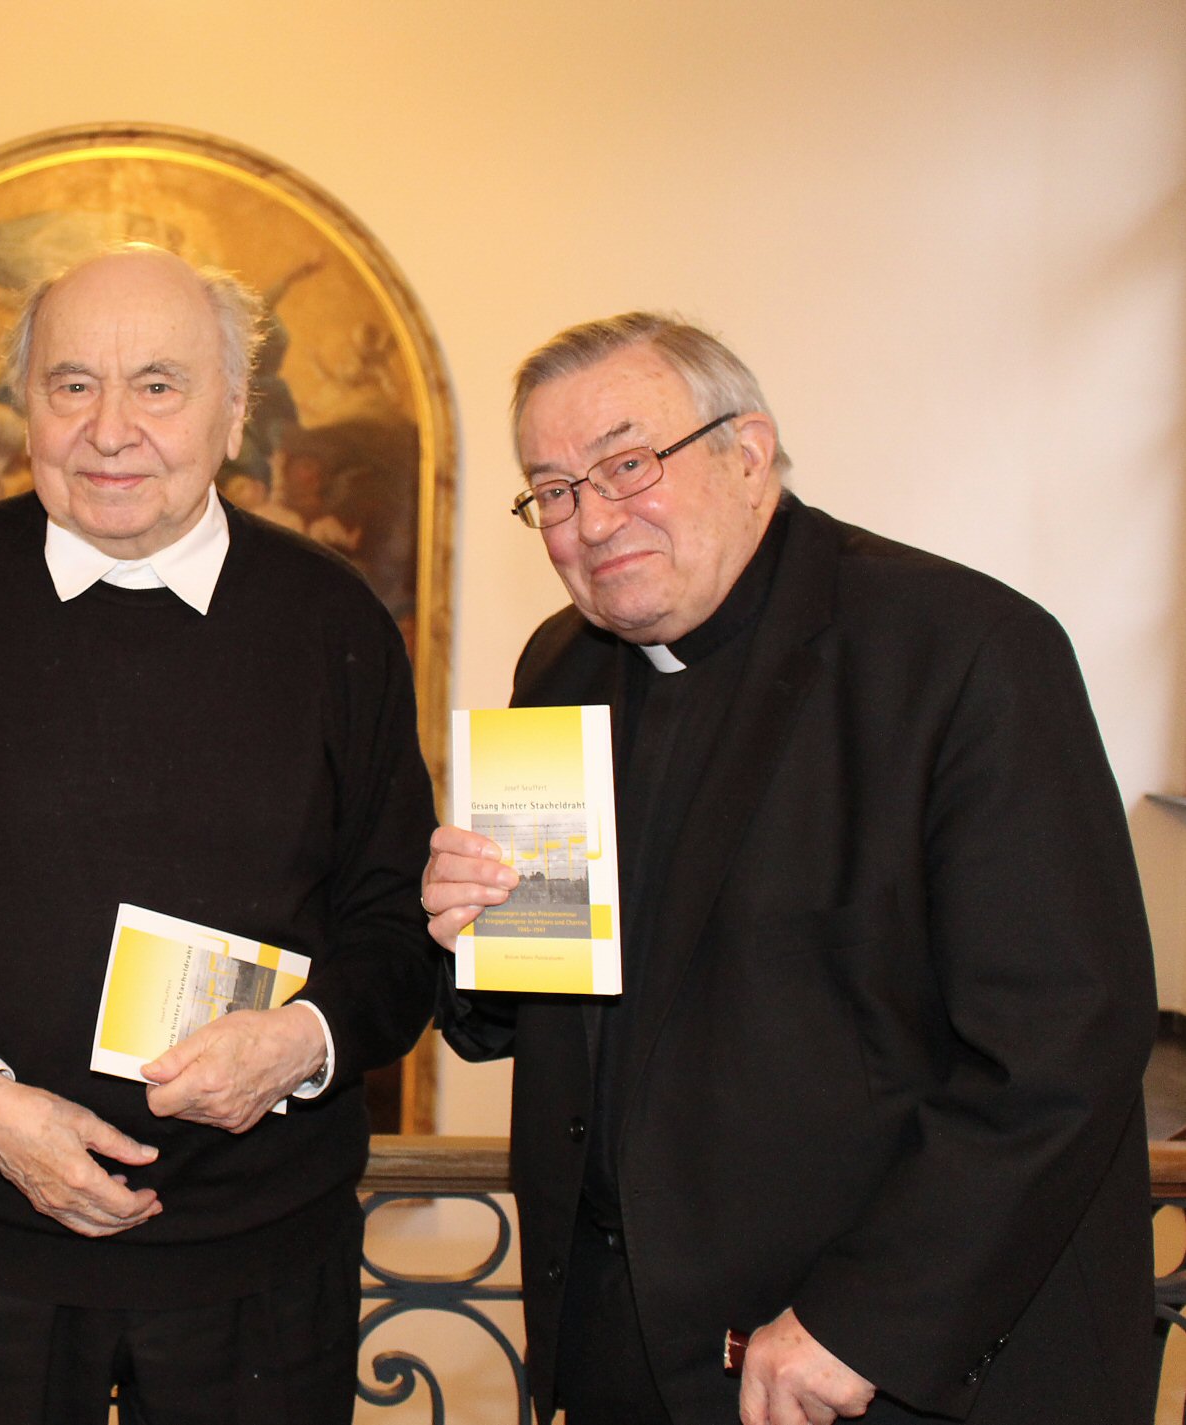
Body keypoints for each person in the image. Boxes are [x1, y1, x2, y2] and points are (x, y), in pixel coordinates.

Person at [422, 313, 1156, 1425]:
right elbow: (555, 1005)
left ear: (747, 452)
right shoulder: (561, 665)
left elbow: (1062, 1044)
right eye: (553, 490)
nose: (590, 520)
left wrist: (866, 1319)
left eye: (626, 465)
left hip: (876, 1361)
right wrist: (474, 936)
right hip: (627, 1347)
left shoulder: (958, 650)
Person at [0, 243, 437, 1424]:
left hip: (260, 1265)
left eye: (157, 383)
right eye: (69, 383)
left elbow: (397, 931)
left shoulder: (334, 620)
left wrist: (299, 1042)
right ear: (25, 403)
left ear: (235, 409)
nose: (109, 429)